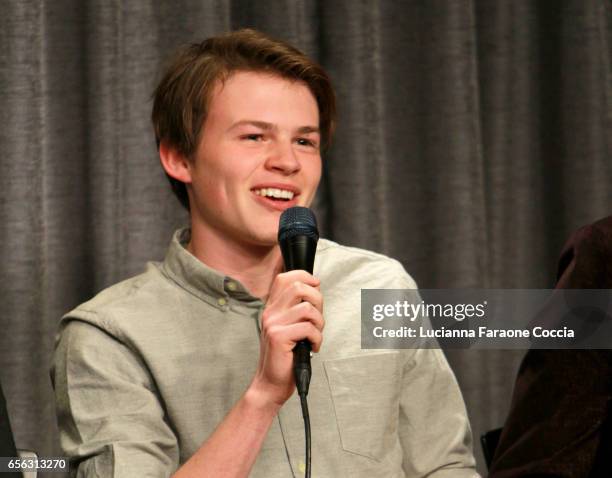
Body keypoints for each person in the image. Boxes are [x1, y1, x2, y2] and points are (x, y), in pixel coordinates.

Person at [52, 29, 478, 477]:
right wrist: (263, 394)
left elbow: (445, 466)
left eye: (305, 141)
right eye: (255, 137)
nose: (287, 162)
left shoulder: (380, 286)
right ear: (179, 157)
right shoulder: (108, 336)